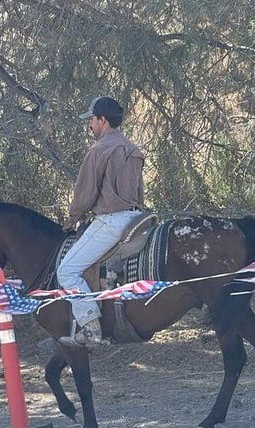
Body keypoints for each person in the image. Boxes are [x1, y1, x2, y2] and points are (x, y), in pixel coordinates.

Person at [57, 96, 145, 346]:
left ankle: (90, 326)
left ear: (102, 120)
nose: (90, 125)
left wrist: (72, 218)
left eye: (92, 120)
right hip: (136, 218)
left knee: (68, 271)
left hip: (111, 222)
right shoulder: (133, 150)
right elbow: (140, 191)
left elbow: (85, 195)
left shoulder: (98, 150)